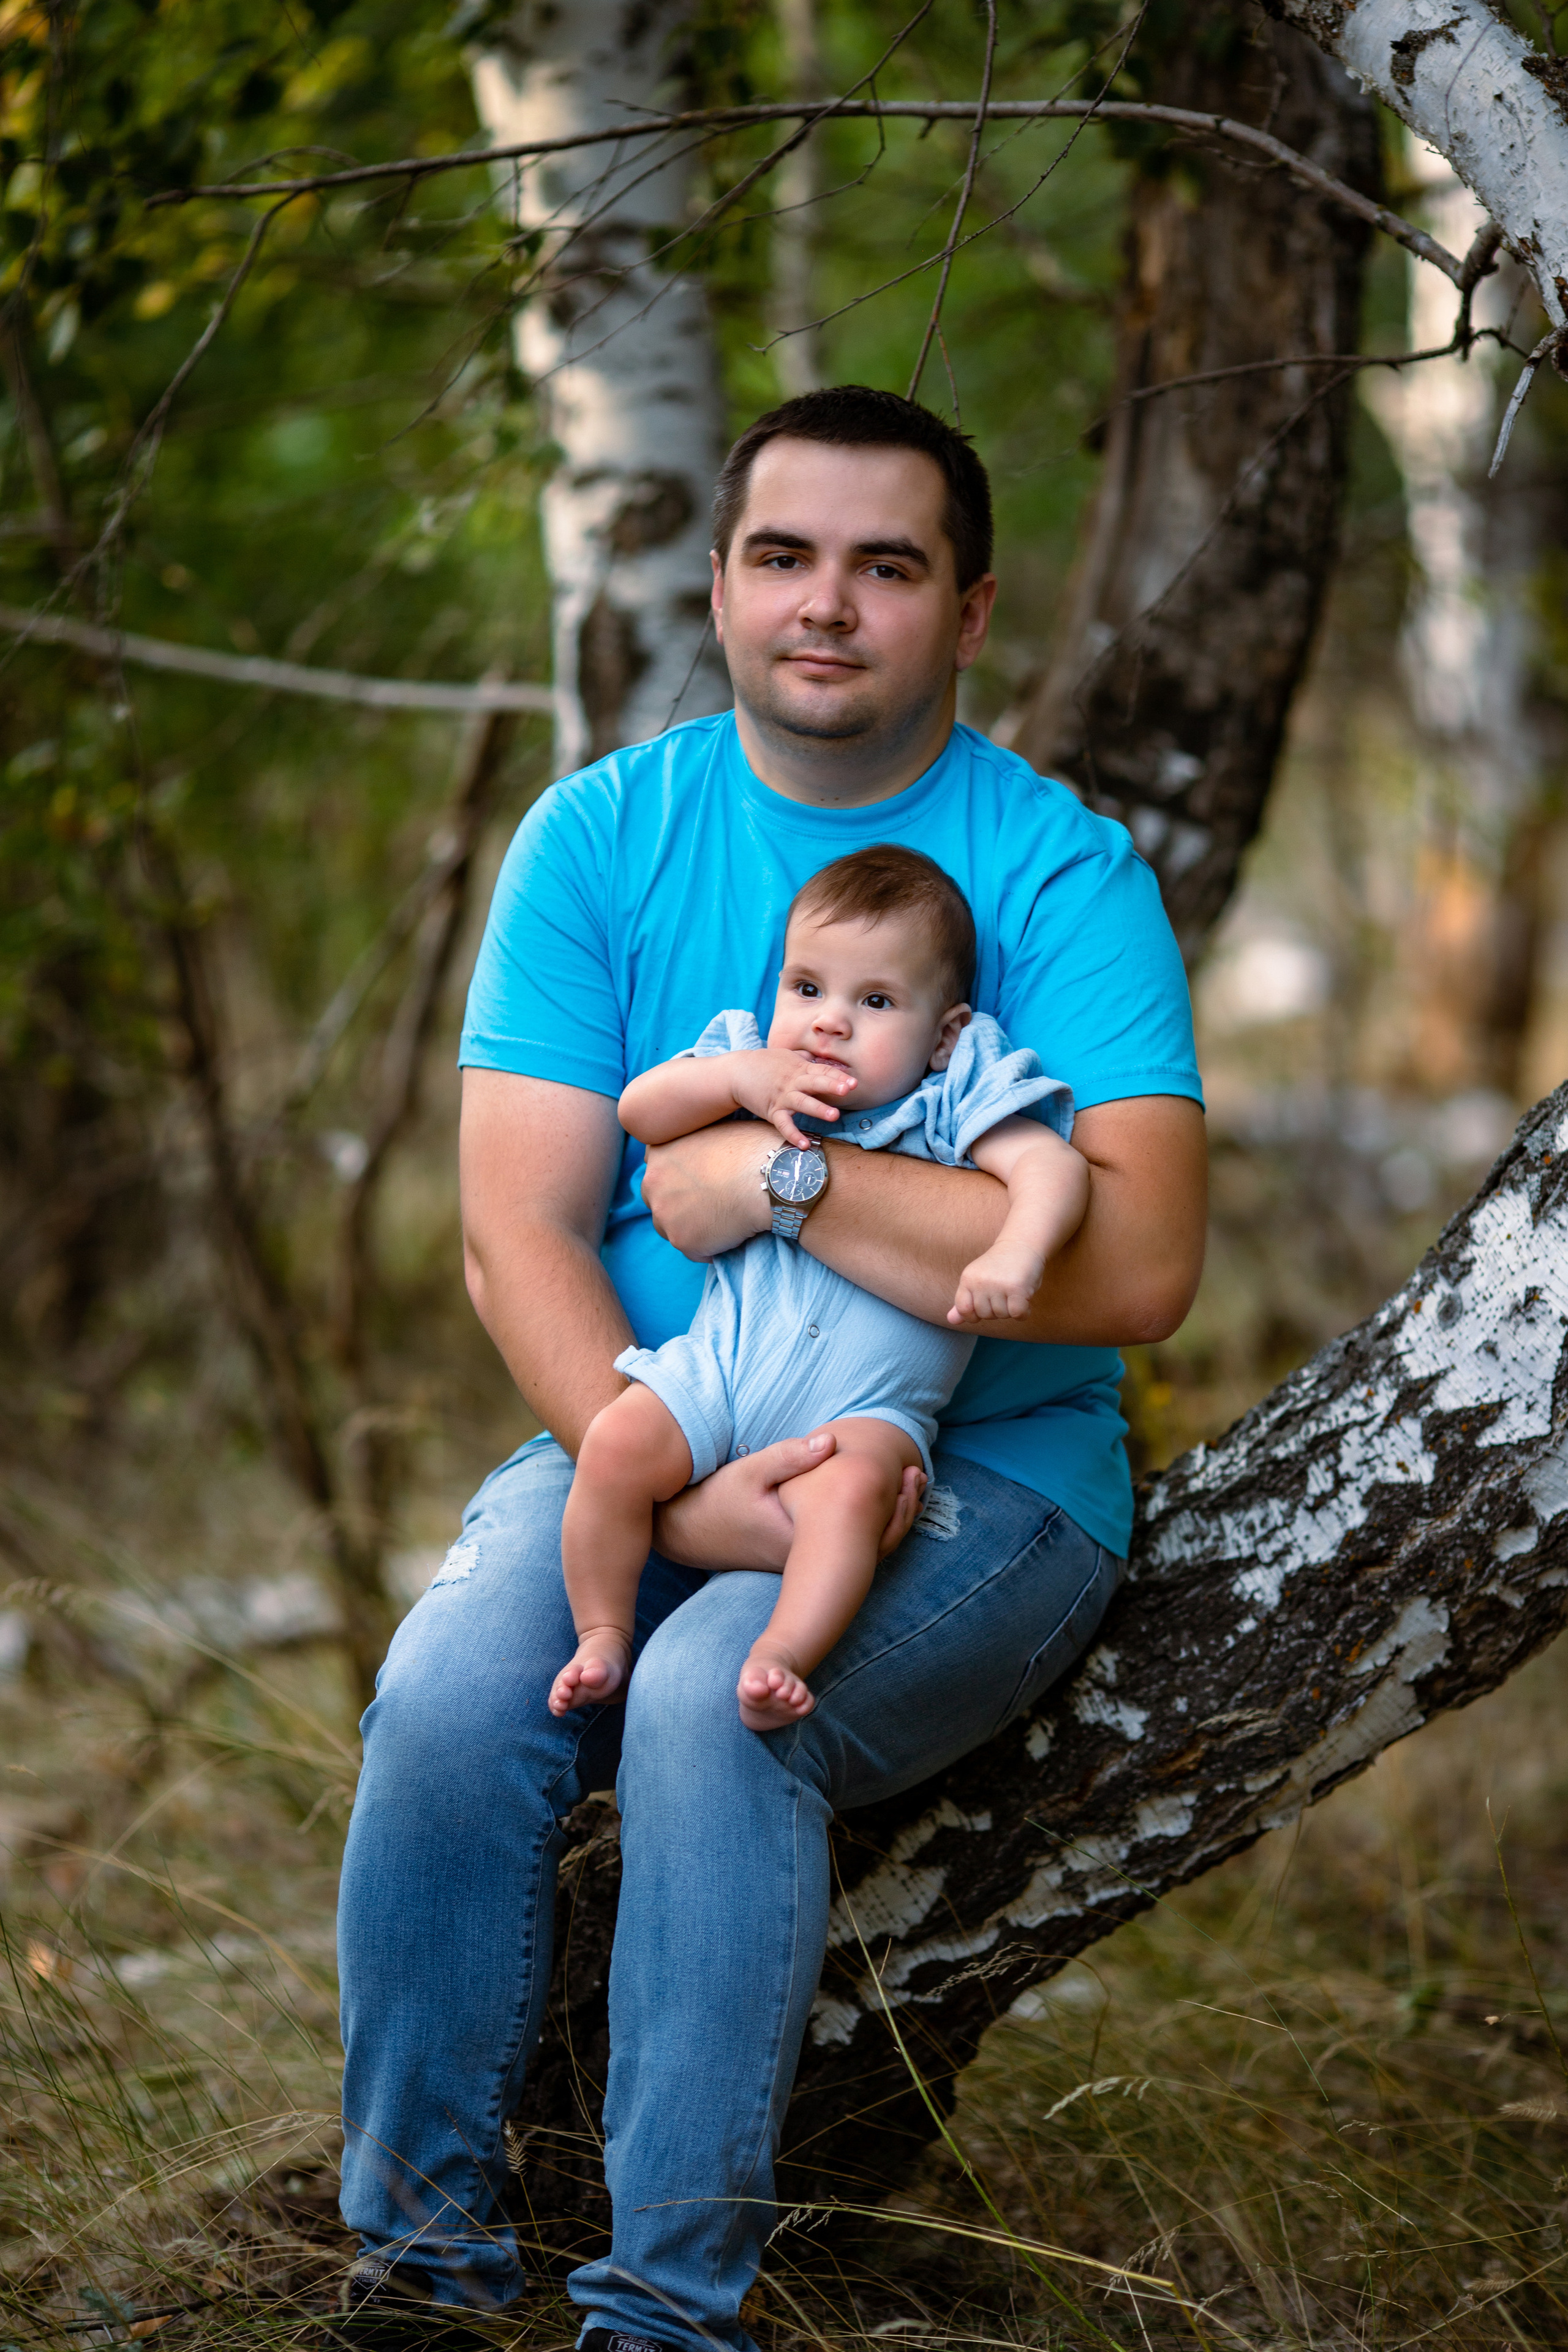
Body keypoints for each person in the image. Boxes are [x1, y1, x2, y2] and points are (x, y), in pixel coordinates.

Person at [334, 384, 1207, 2352]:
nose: (827, 603)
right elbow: (516, 1232)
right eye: (785, 557)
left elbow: (1140, 1263)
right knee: (452, 1694)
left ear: (966, 614)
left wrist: (784, 1182)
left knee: (714, 1701)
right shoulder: (602, 836)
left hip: (971, 1473)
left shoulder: (1059, 875)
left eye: (886, 566)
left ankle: (664, 2316)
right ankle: (417, 2279)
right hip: (663, 1418)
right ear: (722, 584)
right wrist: (659, 1472)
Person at [550, 843, 1089, 1731]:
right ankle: (603, 1632)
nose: (828, 1021)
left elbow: (1052, 1169)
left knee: (851, 1497)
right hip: (721, 1375)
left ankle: (783, 1654)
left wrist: (1015, 1254)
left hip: (865, 1410)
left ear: (944, 1034)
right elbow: (638, 1110)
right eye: (807, 988)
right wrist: (734, 1078)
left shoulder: (949, 1101)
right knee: (614, 1445)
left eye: (874, 1001)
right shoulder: (746, 1071)